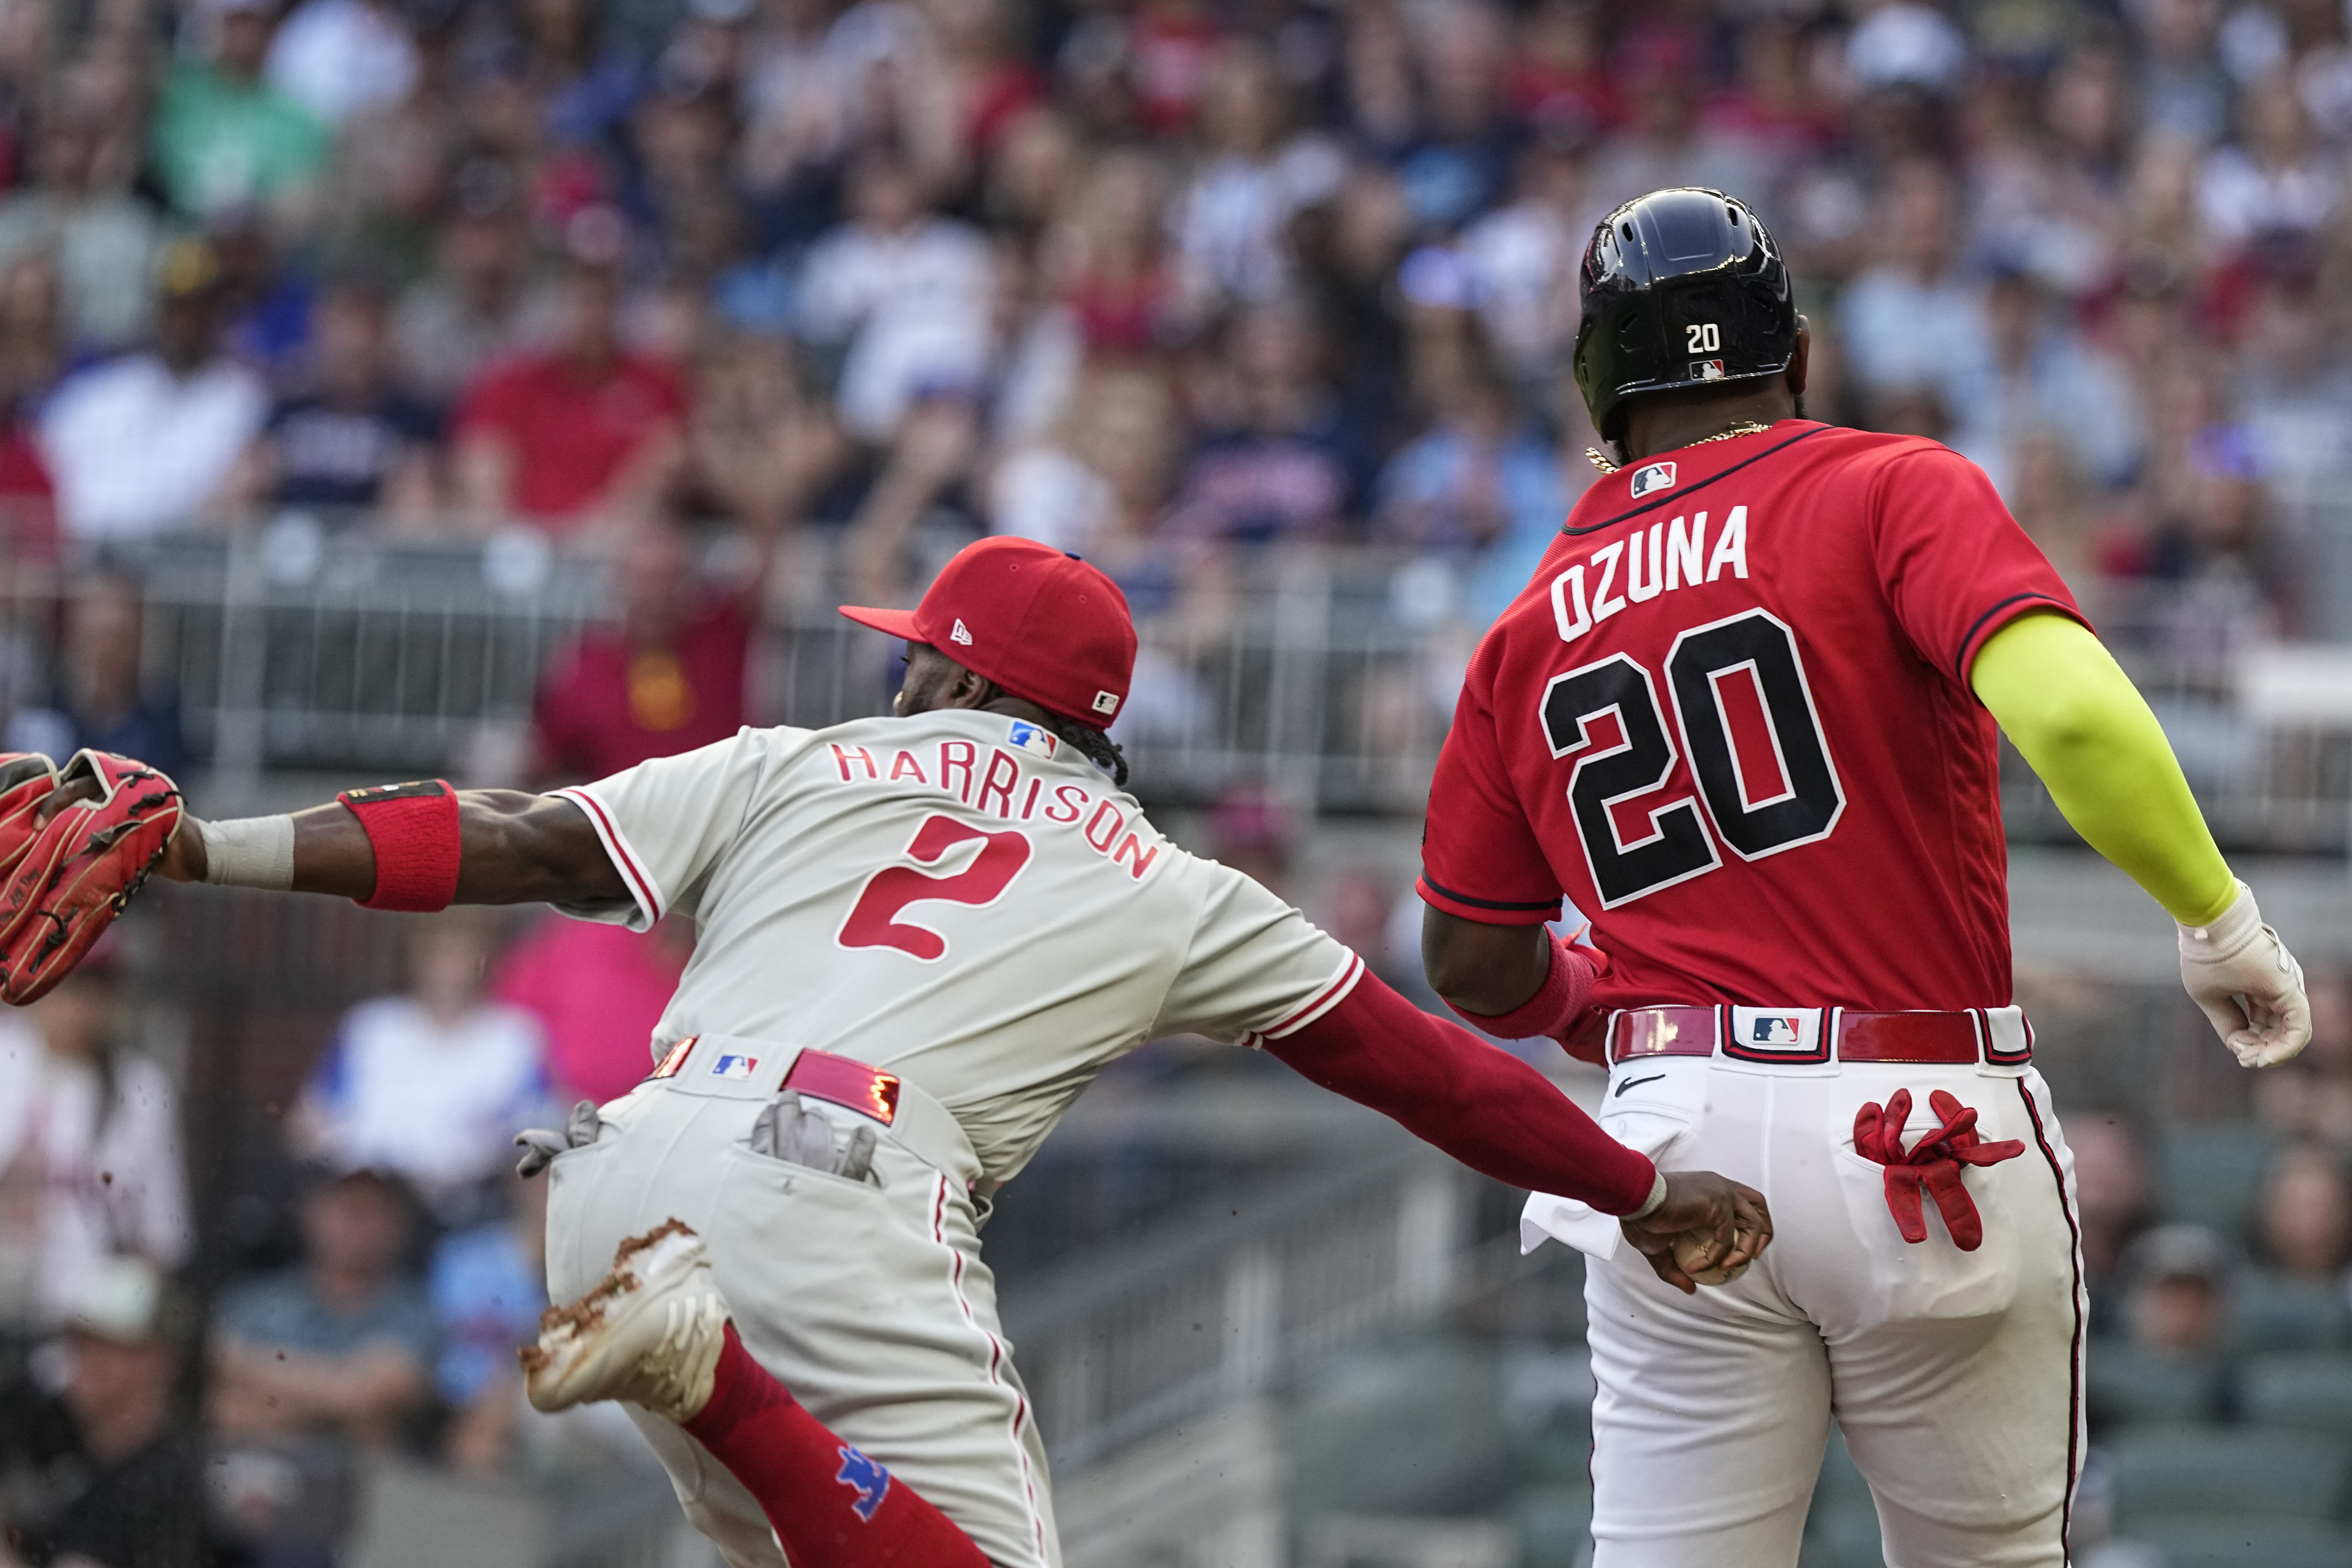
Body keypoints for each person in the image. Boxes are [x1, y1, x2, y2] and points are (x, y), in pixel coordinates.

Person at [136, 533, 1769, 1568]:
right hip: (835, 1190)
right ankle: (715, 1373)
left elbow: (523, 835)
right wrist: (1631, 1185)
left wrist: (204, 844)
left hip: (617, 1160)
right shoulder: (1164, 878)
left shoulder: (807, 756)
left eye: (915, 640)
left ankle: (715, 1370)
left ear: (950, 672)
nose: (893, 657)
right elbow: (1426, 1064)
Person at [1413, 188, 2311, 1567]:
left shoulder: (1522, 625)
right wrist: (2214, 916)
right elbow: (2068, 716)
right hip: (1916, 1117)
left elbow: (1472, 960)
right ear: (1796, 357)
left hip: (1671, 1141)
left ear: (1598, 384)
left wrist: (1612, 1012)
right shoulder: (1889, 484)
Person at [290, 908, 555, 1225]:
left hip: (466, 1208)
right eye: (440, 952)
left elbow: (539, 1126)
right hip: (368, 1199)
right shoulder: (371, 1027)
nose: (451, 968)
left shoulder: (515, 1037)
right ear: (416, 956)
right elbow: (309, 1122)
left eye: (464, 952)